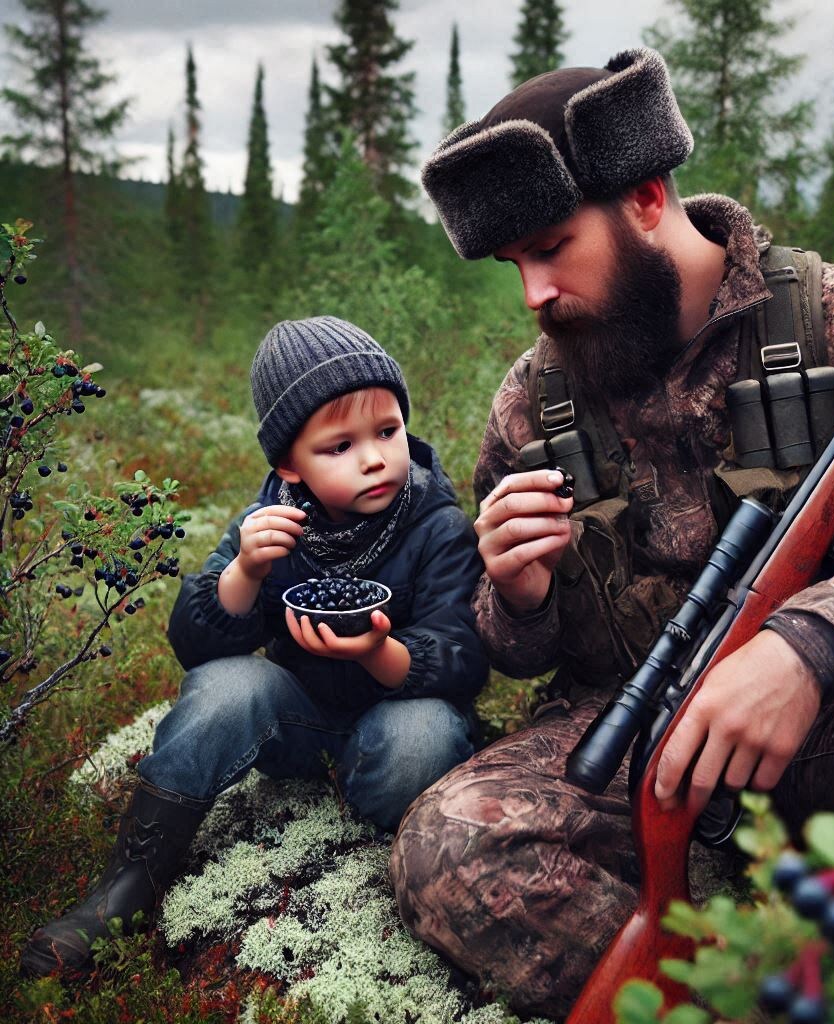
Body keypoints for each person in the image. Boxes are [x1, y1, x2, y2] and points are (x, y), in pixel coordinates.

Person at [389, 47, 834, 1018]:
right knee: (449, 843)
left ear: (646, 198)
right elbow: (515, 651)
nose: (533, 294)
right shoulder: (534, 397)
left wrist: (809, 645)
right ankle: (741, 992)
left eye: (552, 246)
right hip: (637, 737)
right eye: (515, 264)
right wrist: (515, 592)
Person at [22, 315, 489, 977]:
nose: (375, 457)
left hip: (398, 722)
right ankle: (127, 887)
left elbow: (464, 653)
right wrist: (245, 574)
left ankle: (375, 832)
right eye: (339, 446)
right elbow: (193, 642)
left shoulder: (436, 523)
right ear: (288, 466)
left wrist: (376, 653)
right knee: (223, 688)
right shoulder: (268, 525)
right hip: (300, 720)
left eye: (387, 431)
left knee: (424, 738)